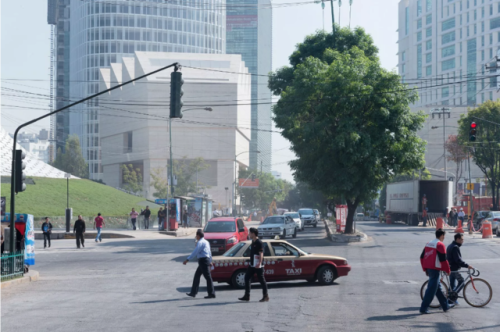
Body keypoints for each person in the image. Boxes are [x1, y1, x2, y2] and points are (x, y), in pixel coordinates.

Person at [419, 229, 453, 314]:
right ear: (441, 235)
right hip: (435, 269)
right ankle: (423, 308)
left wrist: (425, 268)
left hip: (430, 268)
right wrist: (447, 270)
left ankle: (445, 306)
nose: (444, 237)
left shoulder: (429, 243)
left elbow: (422, 257)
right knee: (431, 290)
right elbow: (443, 260)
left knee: (437, 289)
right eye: (444, 236)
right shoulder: (440, 245)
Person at [238, 228, 269, 302]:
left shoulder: (259, 242)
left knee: (262, 280)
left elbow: (261, 253)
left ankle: (265, 296)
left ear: (253, 233)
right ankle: (247, 295)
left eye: (250, 233)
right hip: (252, 264)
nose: (249, 234)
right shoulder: (253, 241)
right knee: (247, 278)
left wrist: (259, 263)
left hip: (258, 265)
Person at [183, 229, 215, 299]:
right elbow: (209, 252)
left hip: (203, 261)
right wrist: (210, 261)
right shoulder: (206, 242)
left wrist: (188, 259)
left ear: (198, 235)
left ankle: (211, 293)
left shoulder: (200, 242)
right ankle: (193, 292)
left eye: (196, 235)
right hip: (204, 261)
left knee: (208, 277)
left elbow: (195, 251)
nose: (196, 237)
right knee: (197, 276)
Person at [447, 233, 473, 305]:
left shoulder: (450, 246)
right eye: (461, 239)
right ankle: (452, 298)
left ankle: (450, 299)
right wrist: (467, 266)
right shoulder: (455, 247)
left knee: (452, 286)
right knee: (461, 282)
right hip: (454, 269)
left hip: (450, 268)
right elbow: (458, 260)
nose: (462, 241)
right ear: (457, 239)